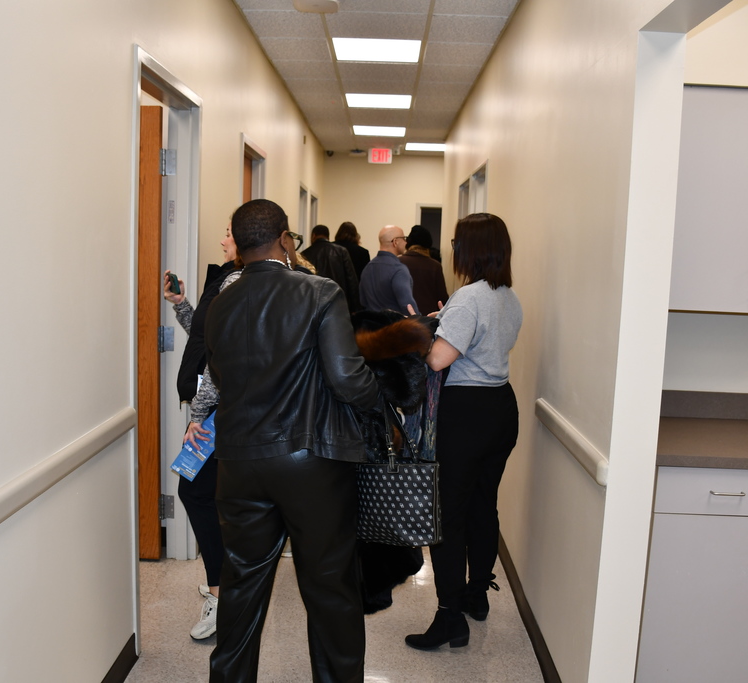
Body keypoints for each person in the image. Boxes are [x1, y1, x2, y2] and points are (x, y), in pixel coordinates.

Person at [205, 199, 380, 683]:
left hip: (239, 462)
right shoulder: (320, 292)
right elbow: (347, 378)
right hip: (311, 462)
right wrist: (381, 402)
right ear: (285, 239)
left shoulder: (220, 305)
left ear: (239, 247)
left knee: (241, 587)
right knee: (329, 589)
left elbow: (220, 375)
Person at [404, 213, 522, 652]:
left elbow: (437, 360)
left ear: (469, 248)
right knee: (482, 505)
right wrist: (446, 318)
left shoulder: (469, 298)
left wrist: (420, 332)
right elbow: (480, 339)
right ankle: (476, 595)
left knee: (447, 516)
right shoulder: (509, 297)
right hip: (499, 409)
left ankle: (449, 617)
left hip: (466, 414)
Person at [161, 225, 241, 642]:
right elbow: (205, 336)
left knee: (194, 491)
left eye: (229, 232)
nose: (223, 238)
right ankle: (222, 580)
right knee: (209, 493)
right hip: (217, 409)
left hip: (221, 411)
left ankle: (221, 594)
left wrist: (200, 412)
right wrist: (181, 304)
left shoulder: (239, 280)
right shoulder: (228, 276)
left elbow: (220, 357)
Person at [358, 225, 419, 315]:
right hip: (394, 327)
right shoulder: (399, 270)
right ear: (395, 242)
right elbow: (407, 305)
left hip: (371, 326)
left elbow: (363, 301)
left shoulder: (368, 268)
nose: (406, 242)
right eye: (404, 238)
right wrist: (421, 322)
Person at [302, 224, 360, 312]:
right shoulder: (341, 251)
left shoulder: (305, 254)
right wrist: (355, 309)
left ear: (313, 235)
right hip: (338, 303)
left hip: (314, 306)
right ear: (328, 236)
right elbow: (352, 281)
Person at [399, 225, 448, 314]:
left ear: (408, 242)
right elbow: (442, 297)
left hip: (404, 317)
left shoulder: (398, 262)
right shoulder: (435, 266)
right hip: (428, 318)